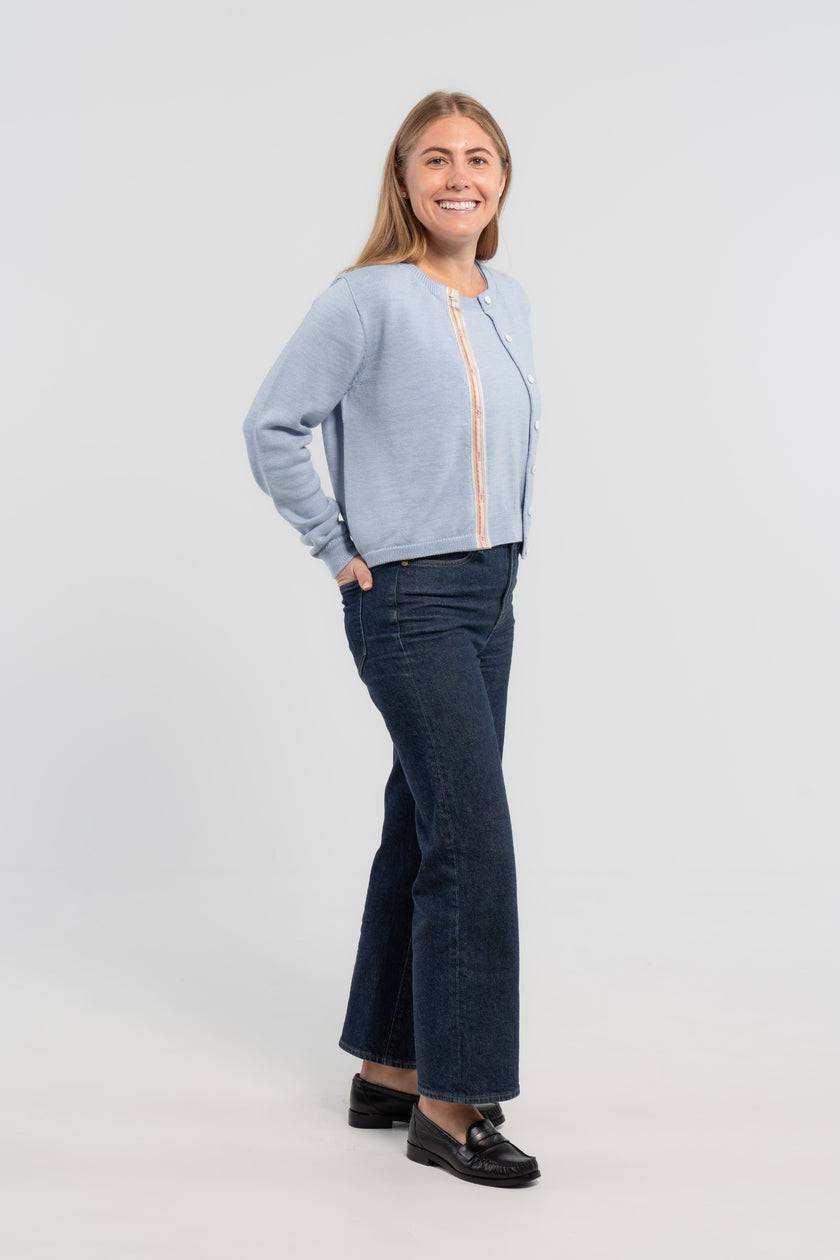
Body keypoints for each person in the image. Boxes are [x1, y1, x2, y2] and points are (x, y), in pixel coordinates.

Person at [243, 91, 541, 1187]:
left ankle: (389, 1067)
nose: (458, 174)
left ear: (502, 177)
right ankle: (456, 1104)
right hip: (409, 596)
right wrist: (336, 545)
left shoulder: (507, 299)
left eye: (478, 156)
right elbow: (270, 424)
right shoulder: (364, 300)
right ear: (404, 181)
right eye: (435, 159)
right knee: (476, 841)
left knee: (427, 823)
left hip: (493, 588)